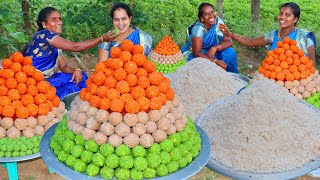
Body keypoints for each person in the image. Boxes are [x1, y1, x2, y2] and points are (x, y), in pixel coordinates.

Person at [23, 7, 116, 99]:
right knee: (67, 89)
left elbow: (64, 67)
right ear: (44, 24)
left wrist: (76, 70)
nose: (59, 22)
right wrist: (102, 39)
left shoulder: (55, 42)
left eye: (59, 19)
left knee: (80, 76)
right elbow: (75, 47)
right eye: (54, 20)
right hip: (33, 84)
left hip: (48, 80)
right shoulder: (43, 35)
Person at [219, 2, 316, 65]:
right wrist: (231, 34)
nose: (282, 17)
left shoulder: (305, 37)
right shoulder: (273, 35)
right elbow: (251, 42)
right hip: (273, 76)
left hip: (296, 81)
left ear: (295, 19)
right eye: (281, 13)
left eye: (288, 15)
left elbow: (312, 65)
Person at [181, 2, 239, 73]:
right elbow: (196, 53)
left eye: (212, 12)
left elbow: (229, 41)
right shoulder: (198, 30)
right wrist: (215, 61)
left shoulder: (219, 23)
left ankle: (232, 76)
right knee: (201, 66)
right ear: (202, 19)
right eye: (206, 14)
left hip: (210, 51)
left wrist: (215, 48)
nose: (211, 16)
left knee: (230, 52)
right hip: (194, 53)